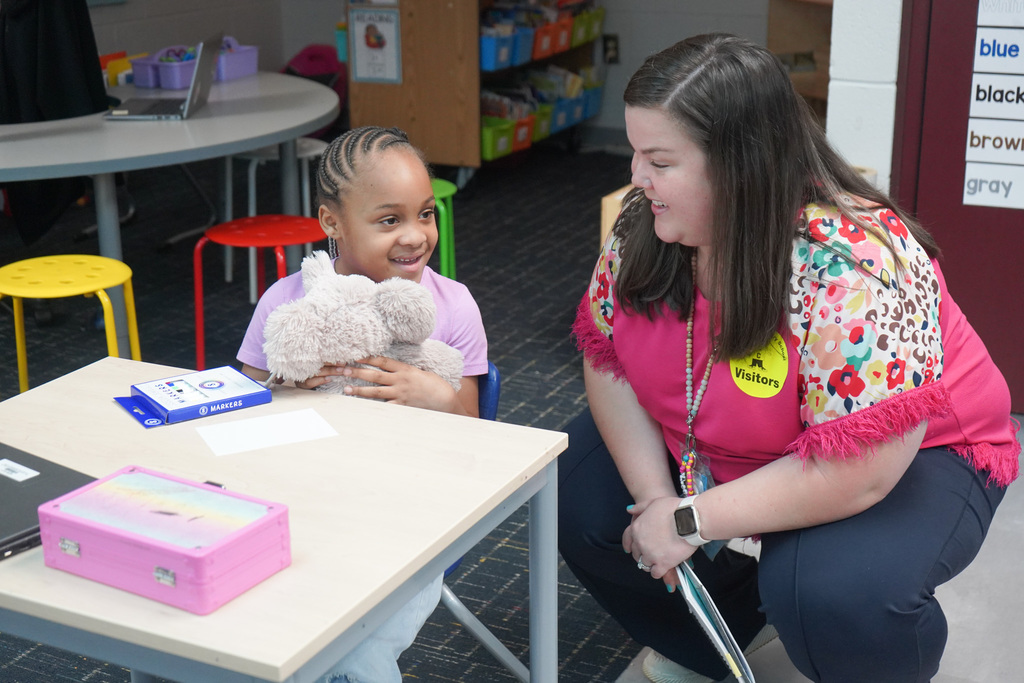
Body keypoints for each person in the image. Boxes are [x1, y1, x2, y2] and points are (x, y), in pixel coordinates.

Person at [559, 33, 1020, 683]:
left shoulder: (853, 261)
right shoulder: (645, 223)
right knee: (574, 489)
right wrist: (655, 498)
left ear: (737, 166)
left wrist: (690, 518)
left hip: (916, 451)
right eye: (636, 154)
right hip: (739, 437)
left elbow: (861, 469)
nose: (636, 178)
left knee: (830, 590)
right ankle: (718, 633)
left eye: (658, 160)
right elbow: (605, 358)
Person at [238, 126, 488, 682]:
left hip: (414, 510)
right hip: (306, 493)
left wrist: (437, 396)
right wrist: (283, 386)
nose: (416, 235)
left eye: (426, 213)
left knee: (357, 637)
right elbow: (240, 406)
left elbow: (477, 429)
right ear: (331, 222)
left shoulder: (453, 307)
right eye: (388, 220)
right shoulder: (286, 303)